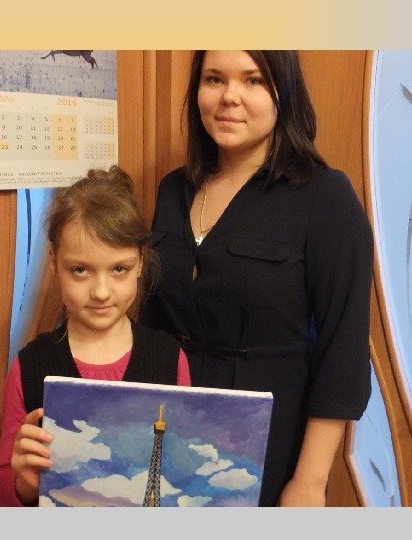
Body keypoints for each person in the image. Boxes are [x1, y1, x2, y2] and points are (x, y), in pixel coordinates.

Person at [140, 51, 373, 507]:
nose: (230, 96)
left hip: (268, 437)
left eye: (253, 81)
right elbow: (150, 321)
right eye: (214, 79)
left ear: (284, 93)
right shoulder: (173, 188)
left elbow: (342, 351)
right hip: (170, 422)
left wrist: (309, 482)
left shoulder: (325, 197)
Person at [0, 166, 191, 506]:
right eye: (80, 270)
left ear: (141, 262)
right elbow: (3, 484)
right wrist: (24, 482)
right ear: (54, 262)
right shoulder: (30, 365)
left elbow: (183, 470)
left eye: (119, 269)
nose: (101, 292)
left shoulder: (169, 358)